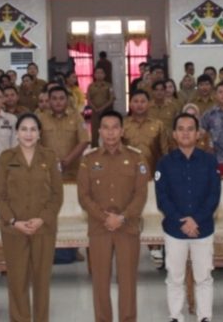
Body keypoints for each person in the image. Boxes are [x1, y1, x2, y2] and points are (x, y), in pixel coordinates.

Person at [77, 110, 149, 322]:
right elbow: (83, 196)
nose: (110, 132)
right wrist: (104, 218)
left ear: (122, 131)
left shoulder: (136, 158)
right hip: (100, 228)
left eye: (115, 127)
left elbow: (141, 194)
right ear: (99, 131)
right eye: (106, 128)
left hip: (127, 227)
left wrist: (122, 217)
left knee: (128, 281)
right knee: (100, 282)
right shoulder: (89, 159)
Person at [0, 113, 64, 322]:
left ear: (39, 133)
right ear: (16, 133)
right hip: (14, 230)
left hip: (43, 229)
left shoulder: (49, 157)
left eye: (33, 129)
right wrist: (13, 221)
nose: (28, 134)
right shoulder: (6, 158)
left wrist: (42, 218)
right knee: (17, 282)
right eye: (24, 129)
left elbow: (57, 195)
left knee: (42, 282)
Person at [155, 112, 221, 322]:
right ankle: (175, 316)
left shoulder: (209, 161)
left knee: (204, 277)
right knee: (175, 277)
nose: (185, 133)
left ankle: (204, 317)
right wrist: (181, 221)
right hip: (175, 229)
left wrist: (196, 220)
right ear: (174, 134)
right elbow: (162, 198)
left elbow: (214, 195)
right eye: (181, 129)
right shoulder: (164, 163)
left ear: (198, 133)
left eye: (190, 129)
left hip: (203, 228)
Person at [122, 89, 168, 173]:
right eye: (136, 101)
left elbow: (165, 152)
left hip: (153, 173)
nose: (139, 104)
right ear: (130, 104)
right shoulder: (122, 125)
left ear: (149, 104)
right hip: (128, 173)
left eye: (143, 101)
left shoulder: (158, 125)